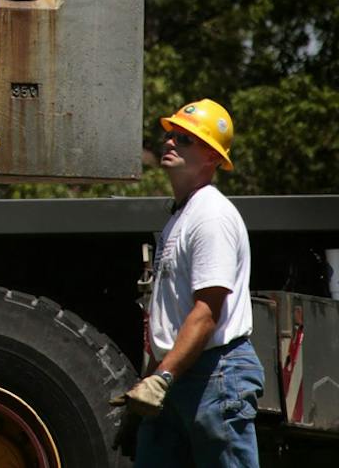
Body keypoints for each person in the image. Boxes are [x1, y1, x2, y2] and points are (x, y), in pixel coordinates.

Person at [117, 98, 264, 467]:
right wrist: (154, 378)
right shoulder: (181, 216)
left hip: (214, 374)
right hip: (182, 374)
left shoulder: (210, 216)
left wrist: (161, 378)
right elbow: (176, 315)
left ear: (212, 158)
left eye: (185, 139)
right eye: (171, 134)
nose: (170, 142)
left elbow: (206, 311)